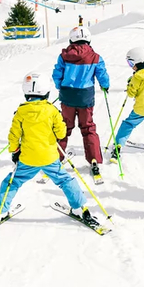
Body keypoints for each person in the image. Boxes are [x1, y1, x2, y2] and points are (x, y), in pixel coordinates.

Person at [0, 72, 99, 229]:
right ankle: (80, 209)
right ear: (47, 92)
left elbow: (13, 135)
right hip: (50, 158)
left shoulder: (21, 112)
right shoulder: (52, 111)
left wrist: (15, 151)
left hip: (27, 159)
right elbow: (61, 133)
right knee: (65, 180)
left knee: (13, 181)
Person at [52, 25, 109, 180]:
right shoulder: (95, 57)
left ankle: (56, 157)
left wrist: (60, 86)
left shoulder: (64, 56)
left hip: (68, 96)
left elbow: (57, 73)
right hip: (85, 97)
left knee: (63, 126)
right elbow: (101, 73)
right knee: (88, 127)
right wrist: (105, 85)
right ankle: (94, 159)